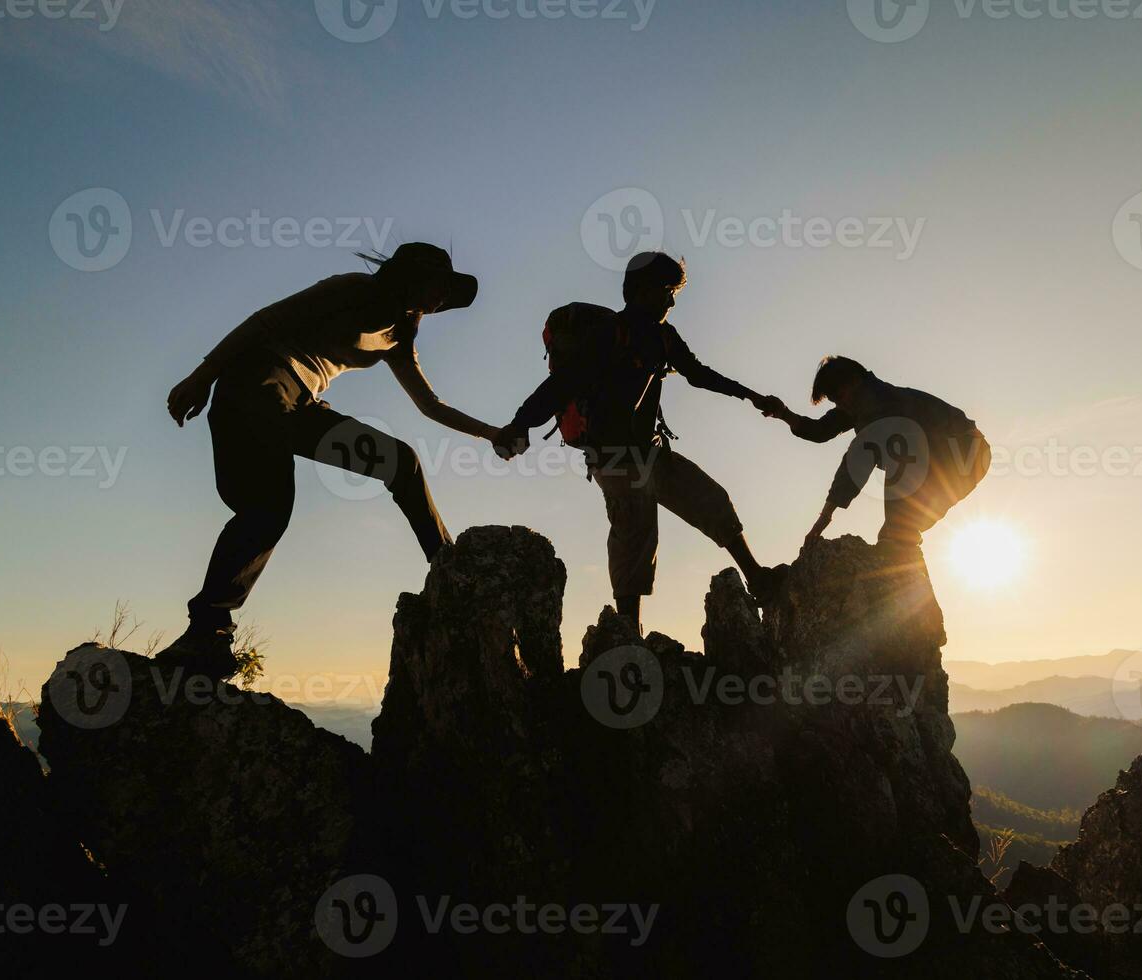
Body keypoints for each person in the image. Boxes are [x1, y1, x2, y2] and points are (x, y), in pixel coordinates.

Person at [160, 243, 496, 678]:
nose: (439, 301)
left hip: (301, 405)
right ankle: (205, 632)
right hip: (258, 382)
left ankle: (449, 571)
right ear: (409, 276)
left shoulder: (398, 336)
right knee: (267, 506)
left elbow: (430, 405)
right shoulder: (353, 289)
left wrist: (492, 433)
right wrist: (201, 376)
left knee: (401, 463)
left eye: (447, 296)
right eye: (438, 287)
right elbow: (262, 323)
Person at [492, 252, 784, 635]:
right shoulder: (611, 334)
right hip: (613, 459)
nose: (672, 301)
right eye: (667, 291)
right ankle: (628, 634)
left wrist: (750, 395)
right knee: (636, 536)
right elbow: (562, 384)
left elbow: (698, 374)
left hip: (650, 451)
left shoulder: (664, 336)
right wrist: (520, 423)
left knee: (712, 500)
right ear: (641, 291)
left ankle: (757, 579)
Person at [768, 355, 991, 551]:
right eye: (835, 401)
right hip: (946, 461)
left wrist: (824, 517)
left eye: (839, 397)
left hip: (964, 453)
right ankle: (903, 559)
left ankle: (900, 547)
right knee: (896, 535)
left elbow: (856, 460)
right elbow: (820, 430)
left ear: (854, 381)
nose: (840, 405)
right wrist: (784, 413)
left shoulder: (882, 403)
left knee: (897, 535)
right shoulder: (856, 403)